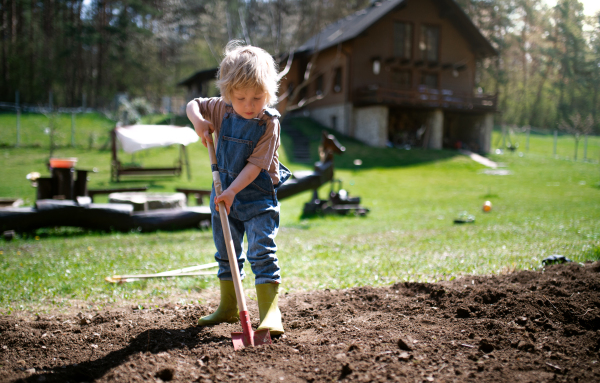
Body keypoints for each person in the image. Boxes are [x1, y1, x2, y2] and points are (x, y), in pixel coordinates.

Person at [186, 41, 290, 336]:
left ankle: (270, 313)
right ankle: (228, 308)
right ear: (228, 93)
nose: (248, 105)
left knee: (261, 251)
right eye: (240, 97)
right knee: (226, 252)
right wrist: (199, 123)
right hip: (223, 199)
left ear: (268, 93)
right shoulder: (221, 109)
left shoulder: (269, 123)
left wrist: (232, 192)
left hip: (256, 198)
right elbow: (193, 104)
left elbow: (255, 165)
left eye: (257, 97)